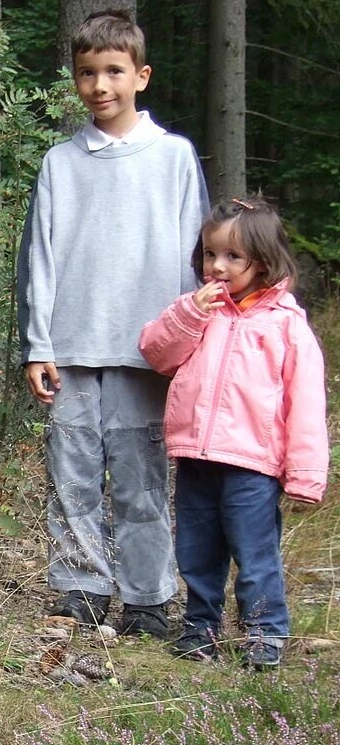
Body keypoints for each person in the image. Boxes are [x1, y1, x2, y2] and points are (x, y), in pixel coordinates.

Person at [17, 10, 208, 636]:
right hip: (71, 348)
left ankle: (148, 600)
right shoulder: (60, 164)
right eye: (87, 74)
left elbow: (193, 261)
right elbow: (39, 258)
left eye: (113, 72)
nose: (100, 86)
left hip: (146, 353)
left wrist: (186, 346)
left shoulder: (174, 158)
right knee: (72, 476)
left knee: (141, 479)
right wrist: (36, 345)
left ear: (141, 76)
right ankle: (80, 589)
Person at [139, 197, 329, 668]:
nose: (217, 266)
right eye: (209, 254)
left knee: (253, 551)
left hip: (252, 463)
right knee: (197, 551)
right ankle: (200, 628)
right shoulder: (199, 311)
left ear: (262, 262)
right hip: (196, 456)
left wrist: (304, 474)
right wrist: (190, 315)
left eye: (232, 257)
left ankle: (265, 632)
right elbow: (157, 353)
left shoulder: (286, 325)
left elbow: (304, 403)